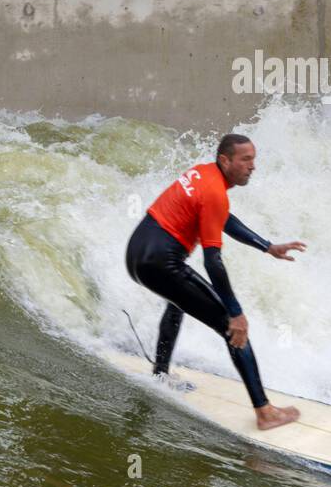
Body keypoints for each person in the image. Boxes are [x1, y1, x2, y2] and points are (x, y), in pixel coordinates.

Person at [126, 134, 306, 429]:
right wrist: (235, 312)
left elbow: (222, 216)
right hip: (161, 262)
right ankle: (265, 412)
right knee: (233, 329)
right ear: (225, 160)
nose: (252, 166)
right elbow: (213, 261)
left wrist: (267, 246)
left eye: (253, 159)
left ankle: (160, 375)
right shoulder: (214, 191)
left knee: (177, 303)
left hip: (137, 256)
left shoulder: (204, 174)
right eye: (245, 159)